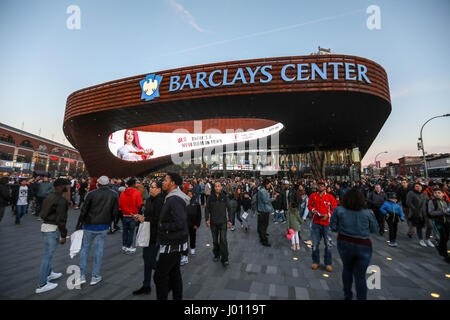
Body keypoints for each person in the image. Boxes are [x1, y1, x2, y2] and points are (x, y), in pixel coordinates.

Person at [329, 188, 378, 300]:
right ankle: (361, 297)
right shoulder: (367, 213)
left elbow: (333, 227)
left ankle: (348, 294)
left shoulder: (339, 210)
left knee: (347, 268)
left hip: (345, 241)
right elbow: (374, 229)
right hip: (363, 244)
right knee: (360, 275)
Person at [75, 176, 119, 286]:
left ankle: (81, 275)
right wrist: (112, 223)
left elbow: (84, 210)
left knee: (85, 249)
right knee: (99, 250)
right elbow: (115, 212)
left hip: (89, 224)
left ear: (98, 183)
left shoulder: (91, 194)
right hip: (103, 225)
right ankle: (95, 276)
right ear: (108, 184)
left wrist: (79, 224)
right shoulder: (114, 194)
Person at [154, 172, 190, 300]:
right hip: (176, 241)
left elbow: (180, 222)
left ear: (172, 183)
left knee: (159, 276)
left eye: (165, 180)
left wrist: (164, 227)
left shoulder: (174, 199)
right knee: (174, 273)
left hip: (172, 242)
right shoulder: (172, 197)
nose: (163, 182)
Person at [35, 178, 70, 294]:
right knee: (47, 256)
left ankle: (49, 274)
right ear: (60, 186)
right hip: (52, 228)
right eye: (66, 185)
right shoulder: (61, 200)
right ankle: (42, 284)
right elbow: (61, 219)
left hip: (45, 227)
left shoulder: (49, 196)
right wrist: (64, 235)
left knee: (48, 254)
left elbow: (43, 213)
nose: (68, 187)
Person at [133, 179, 165, 295]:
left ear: (159, 189)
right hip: (147, 233)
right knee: (147, 260)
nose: (150, 188)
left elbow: (159, 219)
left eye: (153, 187)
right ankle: (146, 285)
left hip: (155, 235)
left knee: (149, 260)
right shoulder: (149, 200)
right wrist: (140, 217)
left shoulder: (160, 201)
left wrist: (144, 219)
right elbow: (148, 215)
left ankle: (167, 274)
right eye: (150, 187)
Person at [307, 180, 337, 272]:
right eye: (319, 185)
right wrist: (312, 210)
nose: (320, 187)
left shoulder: (330, 197)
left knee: (328, 244)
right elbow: (309, 205)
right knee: (315, 244)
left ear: (325, 187)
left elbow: (335, 207)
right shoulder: (313, 196)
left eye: (322, 185)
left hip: (327, 224)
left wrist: (328, 215)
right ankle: (315, 261)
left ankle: (328, 263)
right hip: (316, 223)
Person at [205, 182, 232, 266]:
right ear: (214, 188)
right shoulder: (210, 197)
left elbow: (230, 208)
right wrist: (207, 219)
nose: (217, 188)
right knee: (215, 241)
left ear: (221, 187)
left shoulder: (224, 197)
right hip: (213, 223)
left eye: (218, 186)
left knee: (223, 240)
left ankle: (225, 258)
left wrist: (230, 220)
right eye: (215, 186)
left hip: (223, 222)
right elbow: (207, 209)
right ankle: (216, 254)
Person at [119, 178, 143, 254]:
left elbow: (120, 205)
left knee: (125, 231)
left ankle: (124, 245)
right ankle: (128, 246)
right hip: (133, 215)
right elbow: (139, 204)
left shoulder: (122, 193)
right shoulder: (136, 193)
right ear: (133, 184)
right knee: (131, 232)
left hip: (125, 214)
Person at [407, 182, 434, 247]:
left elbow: (428, 202)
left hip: (425, 212)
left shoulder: (424, 194)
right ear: (414, 187)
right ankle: (421, 240)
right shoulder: (411, 193)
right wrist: (415, 209)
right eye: (416, 186)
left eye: (419, 186)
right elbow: (408, 202)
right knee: (419, 227)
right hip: (416, 212)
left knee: (430, 226)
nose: (418, 187)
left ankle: (428, 239)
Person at [428, 188, 450, 263]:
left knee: (446, 237)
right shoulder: (432, 202)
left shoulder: (445, 201)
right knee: (443, 237)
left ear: (443, 194)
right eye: (436, 193)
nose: (437, 194)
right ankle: (445, 255)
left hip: (446, 221)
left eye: (439, 192)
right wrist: (443, 212)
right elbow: (431, 212)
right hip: (437, 221)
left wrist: (447, 212)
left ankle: (439, 246)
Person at [180, 189, 202, 266]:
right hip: (185, 225)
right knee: (184, 240)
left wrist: (197, 224)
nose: (189, 195)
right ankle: (185, 255)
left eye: (190, 194)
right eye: (188, 194)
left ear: (193, 195)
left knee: (192, 236)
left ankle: (192, 248)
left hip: (193, 224)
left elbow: (199, 216)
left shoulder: (196, 204)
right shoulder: (183, 203)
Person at [257, 179, 278, 247]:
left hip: (262, 210)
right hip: (263, 211)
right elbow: (266, 201)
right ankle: (264, 240)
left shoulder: (262, 190)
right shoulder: (263, 191)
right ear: (266, 184)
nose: (269, 186)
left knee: (262, 225)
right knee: (264, 225)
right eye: (269, 185)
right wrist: (274, 198)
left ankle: (262, 236)